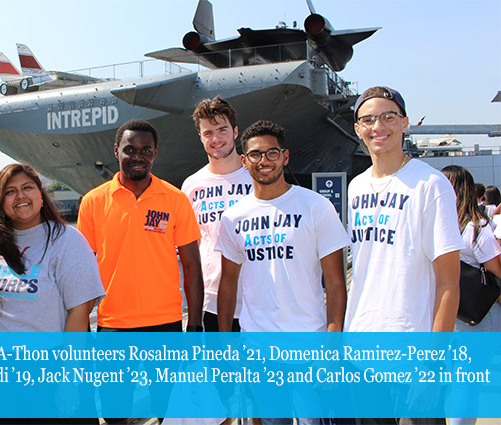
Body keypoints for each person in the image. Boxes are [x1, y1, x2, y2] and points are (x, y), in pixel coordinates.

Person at [215, 120, 348, 425]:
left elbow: (336, 282)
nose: (265, 162)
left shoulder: (316, 206)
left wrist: (332, 340)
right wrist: (224, 344)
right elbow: (228, 283)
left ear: (285, 157)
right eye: (256, 155)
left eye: (272, 153)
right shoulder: (233, 217)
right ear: (244, 161)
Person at [345, 87, 465, 424]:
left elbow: (448, 282)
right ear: (358, 129)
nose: (377, 126)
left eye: (388, 117)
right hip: (363, 352)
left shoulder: (431, 184)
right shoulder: (356, 187)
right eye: (368, 119)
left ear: (405, 123)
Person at [77, 119, 203, 424]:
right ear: (116, 151)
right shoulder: (93, 202)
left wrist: (196, 325)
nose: (138, 156)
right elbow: (81, 270)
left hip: (166, 325)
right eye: (130, 149)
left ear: (155, 153)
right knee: (115, 414)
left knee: (168, 411)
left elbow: (192, 266)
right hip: (113, 326)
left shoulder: (175, 199)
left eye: (145, 150)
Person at [0, 163, 105, 425]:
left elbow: (79, 312)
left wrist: (69, 379)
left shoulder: (67, 240)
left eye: (28, 188)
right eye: (10, 192)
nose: (21, 196)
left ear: (40, 194)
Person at [181, 96, 252, 333]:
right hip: (212, 303)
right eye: (208, 132)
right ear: (200, 137)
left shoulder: (256, 178)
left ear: (235, 131)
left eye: (222, 129)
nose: (216, 138)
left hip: (260, 299)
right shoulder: (191, 186)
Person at [442, 166, 501, 425]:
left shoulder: (464, 228)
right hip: (467, 314)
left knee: (462, 382)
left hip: (467, 315)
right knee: (464, 383)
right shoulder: (473, 228)